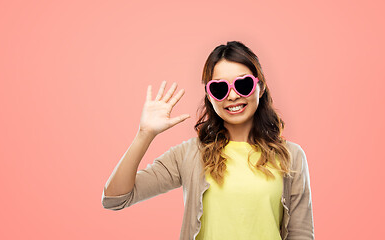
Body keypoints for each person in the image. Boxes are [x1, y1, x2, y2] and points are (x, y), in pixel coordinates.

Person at [102, 41, 314, 240]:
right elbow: (115, 198)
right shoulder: (190, 155)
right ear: (209, 96)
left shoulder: (291, 156)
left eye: (243, 84)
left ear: (261, 86)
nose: (232, 96)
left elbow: (301, 233)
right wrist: (144, 134)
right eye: (220, 89)